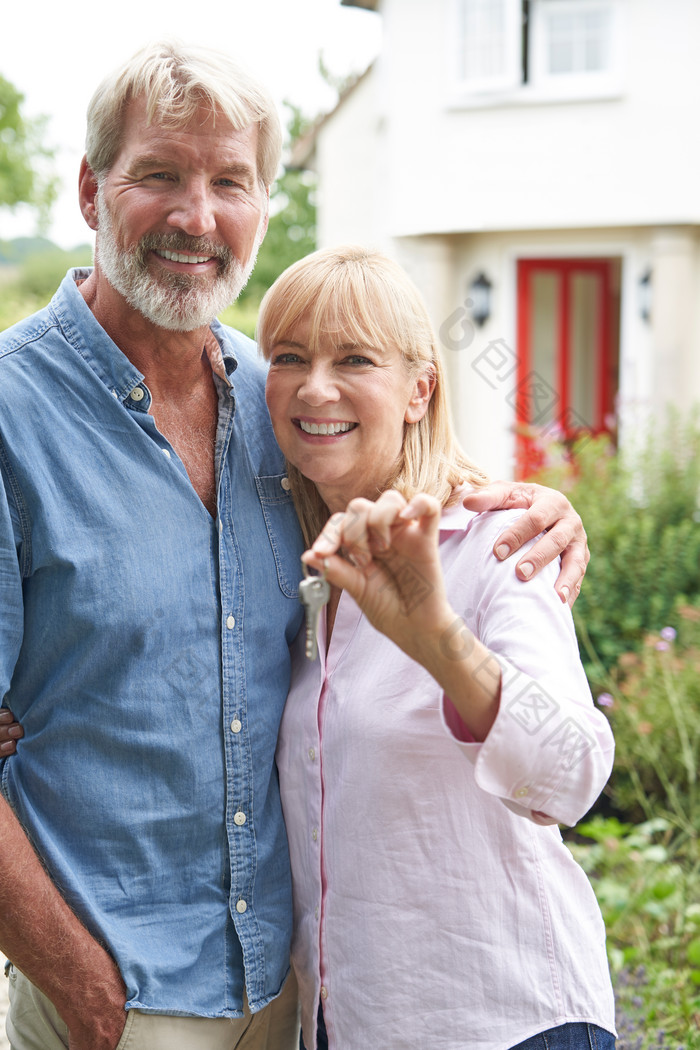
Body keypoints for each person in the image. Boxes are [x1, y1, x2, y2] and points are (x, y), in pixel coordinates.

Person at [0, 40, 591, 1050]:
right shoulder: (13, 413)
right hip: (119, 1000)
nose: (197, 216)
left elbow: (412, 486)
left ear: (264, 207)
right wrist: (82, 987)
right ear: (93, 191)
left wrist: (538, 508)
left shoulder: (274, 402)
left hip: (297, 996)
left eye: (231, 181)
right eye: (160, 175)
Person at [254, 245, 617, 1050]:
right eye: (288, 358)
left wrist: (439, 643)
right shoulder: (292, 559)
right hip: (349, 1025)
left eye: (355, 359)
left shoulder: (495, 545)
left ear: (421, 389)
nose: (316, 387)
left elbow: (575, 773)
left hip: (505, 1021)